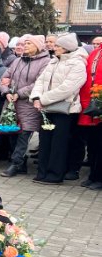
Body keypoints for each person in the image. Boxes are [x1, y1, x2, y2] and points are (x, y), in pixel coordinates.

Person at [30, 32, 88, 184]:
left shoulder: (77, 64)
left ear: (66, 48)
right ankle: (42, 172)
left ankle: (55, 175)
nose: (54, 48)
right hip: (46, 108)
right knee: (45, 140)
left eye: (57, 46)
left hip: (65, 110)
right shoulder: (53, 61)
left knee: (59, 143)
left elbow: (68, 88)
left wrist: (43, 99)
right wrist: (36, 97)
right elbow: (40, 81)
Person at [0, 34, 50, 177]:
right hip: (12, 104)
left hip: (29, 105)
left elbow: (39, 82)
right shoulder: (18, 60)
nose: (25, 46)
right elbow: (5, 77)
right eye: (24, 43)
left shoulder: (46, 62)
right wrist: (6, 91)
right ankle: (21, 164)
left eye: (29, 43)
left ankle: (15, 164)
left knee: (24, 135)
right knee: (12, 134)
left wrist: (20, 93)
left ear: (38, 46)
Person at [77, 38, 102, 189]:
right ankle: (93, 175)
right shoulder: (95, 52)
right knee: (93, 144)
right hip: (92, 105)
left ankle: (99, 178)